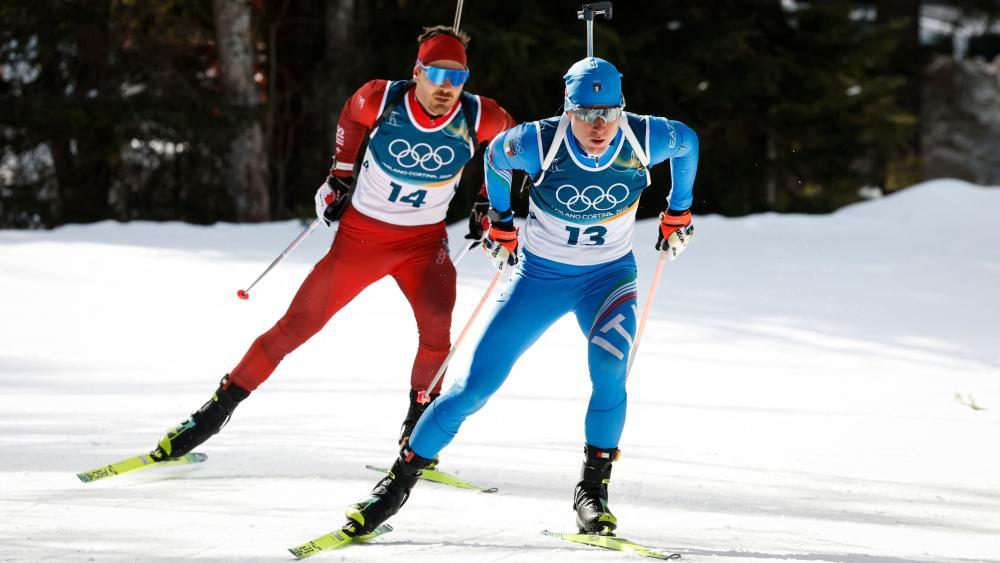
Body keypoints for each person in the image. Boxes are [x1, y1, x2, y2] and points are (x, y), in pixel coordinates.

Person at [340, 56, 698, 537]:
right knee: (475, 386)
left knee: (611, 371)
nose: (599, 126)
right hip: (539, 280)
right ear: (568, 109)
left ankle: (592, 492)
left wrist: (679, 210)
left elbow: (688, 141)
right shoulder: (538, 141)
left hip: (608, 279)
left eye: (609, 113)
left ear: (622, 108)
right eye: (586, 114)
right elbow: (495, 157)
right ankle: (395, 486)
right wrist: (501, 220)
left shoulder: (645, 136)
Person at [148, 26, 516, 463]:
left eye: (457, 78)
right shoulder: (381, 99)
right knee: (295, 327)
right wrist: (340, 174)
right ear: (417, 72)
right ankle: (210, 416)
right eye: (437, 74)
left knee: (438, 331)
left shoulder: (479, 115)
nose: (446, 87)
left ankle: (417, 441)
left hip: (423, 245)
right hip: (362, 240)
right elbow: (350, 117)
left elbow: (510, 148)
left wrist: (489, 202)